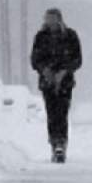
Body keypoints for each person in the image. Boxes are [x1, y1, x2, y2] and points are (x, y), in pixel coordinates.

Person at [30, 8, 83, 163]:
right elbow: (35, 59)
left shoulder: (70, 36)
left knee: (62, 112)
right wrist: (45, 70)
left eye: (52, 18)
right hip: (47, 82)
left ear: (59, 19)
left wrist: (64, 71)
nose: (50, 22)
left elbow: (77, 59)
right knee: (52, 113)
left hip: (65, 82)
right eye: (47, 18)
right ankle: (54, 143)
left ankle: (61, 143)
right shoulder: (41, 37)